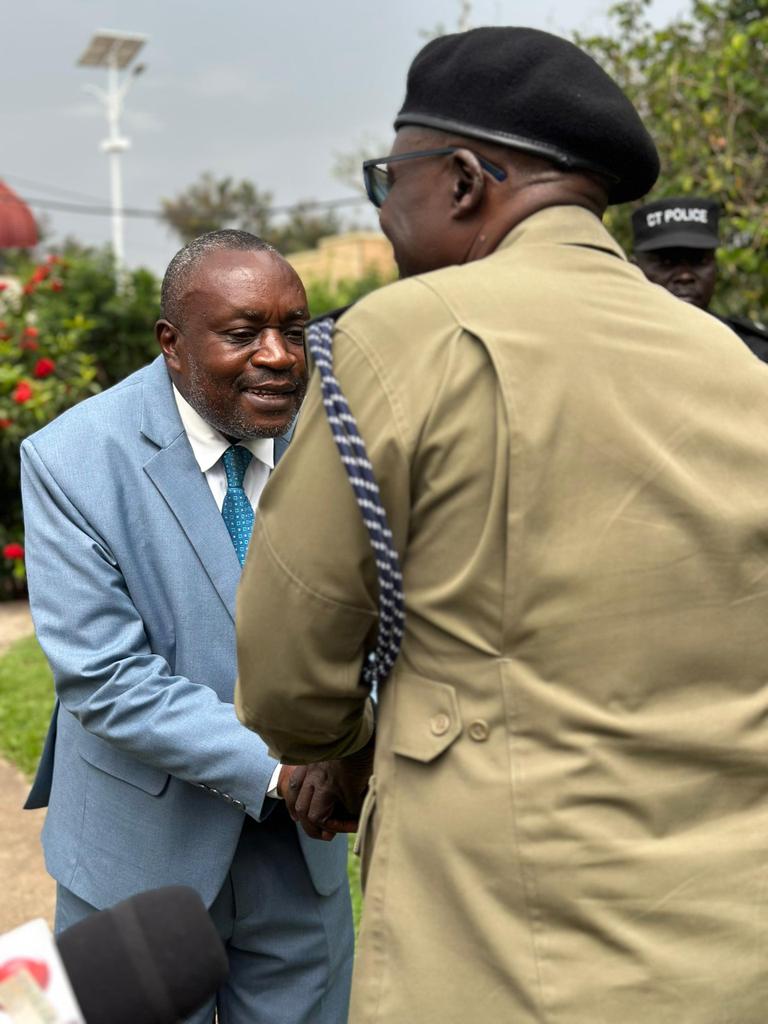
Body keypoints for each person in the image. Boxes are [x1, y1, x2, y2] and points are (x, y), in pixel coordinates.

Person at [234, 27, 768, 1024]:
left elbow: (285, 671)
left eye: (389, 180)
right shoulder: (733, 364)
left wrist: (341, 746)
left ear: (464, 181)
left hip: (509, 952)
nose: (385, 213)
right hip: (732, 949)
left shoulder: (403, 334)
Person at [20, 230, 353, 1024]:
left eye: (294, 329)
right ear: (171, 344)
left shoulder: (344, 442)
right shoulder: (70, 460)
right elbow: (106, 678)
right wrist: (285, 768)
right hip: (136, 861)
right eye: (243, 333)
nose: (279, 356)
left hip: (298, 863)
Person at [632, 195, 768, 361]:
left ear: (715, 265)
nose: (685, 276)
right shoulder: (616, 344)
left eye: (699, 261)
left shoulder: (753, 353)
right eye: (667, 262)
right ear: (635, 268)